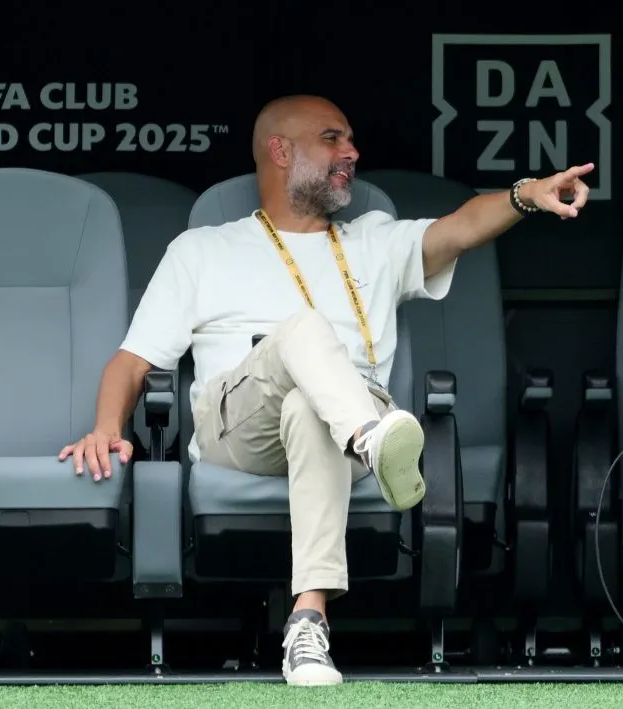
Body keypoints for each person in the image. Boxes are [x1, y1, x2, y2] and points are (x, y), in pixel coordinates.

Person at [59, 94, 592, 686]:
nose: (352, 153)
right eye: (333, 139)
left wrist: (527, 196)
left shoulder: (374, 239)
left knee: (310, 408)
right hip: (237, 428)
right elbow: (131, 362)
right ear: (280, 151)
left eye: (351, 140)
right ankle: (371, 440)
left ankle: (308, 623)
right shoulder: (202, 250)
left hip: (332, 423)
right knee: (303, 328)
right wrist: (108, 428)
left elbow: (460, 228)